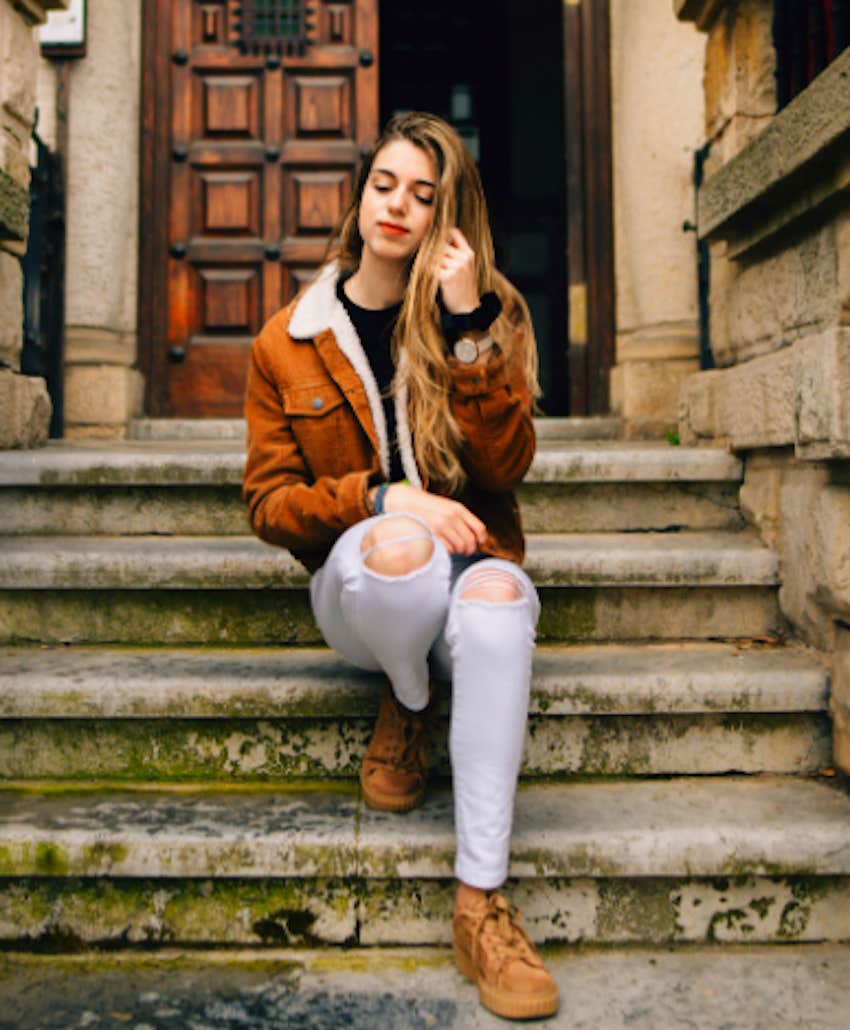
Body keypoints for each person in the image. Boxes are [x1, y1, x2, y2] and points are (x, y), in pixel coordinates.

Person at [243, 111, 558, 1021]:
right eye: (385, 184)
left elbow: (504, 468)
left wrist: (466, 328)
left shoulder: (490, 313)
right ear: (359, 193)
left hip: (466, 562)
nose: (398, 206)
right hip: (360, 582)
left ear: (447, 215)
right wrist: (383, 499)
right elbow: (270, 505)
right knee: (405, 548)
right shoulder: (287, 339)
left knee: (499, 603)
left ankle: (481, 905)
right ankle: (408, 696)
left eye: (423, 194)